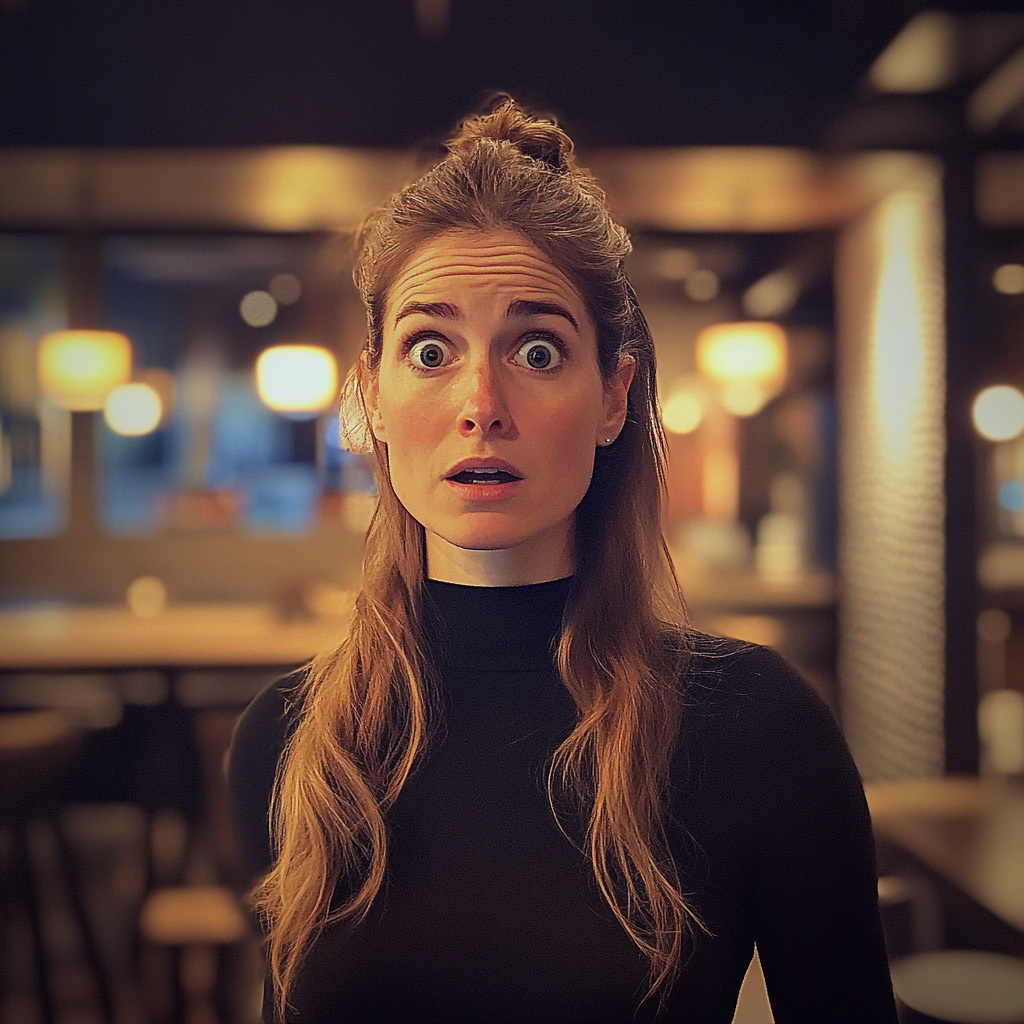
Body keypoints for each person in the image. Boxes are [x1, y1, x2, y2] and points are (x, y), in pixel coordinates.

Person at [228, 97, 899, 1023]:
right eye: (430, 349)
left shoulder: (758, 730)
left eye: (537, 349)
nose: (481, 402)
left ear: (613, 396)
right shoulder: (290, 741)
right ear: (372, 398)